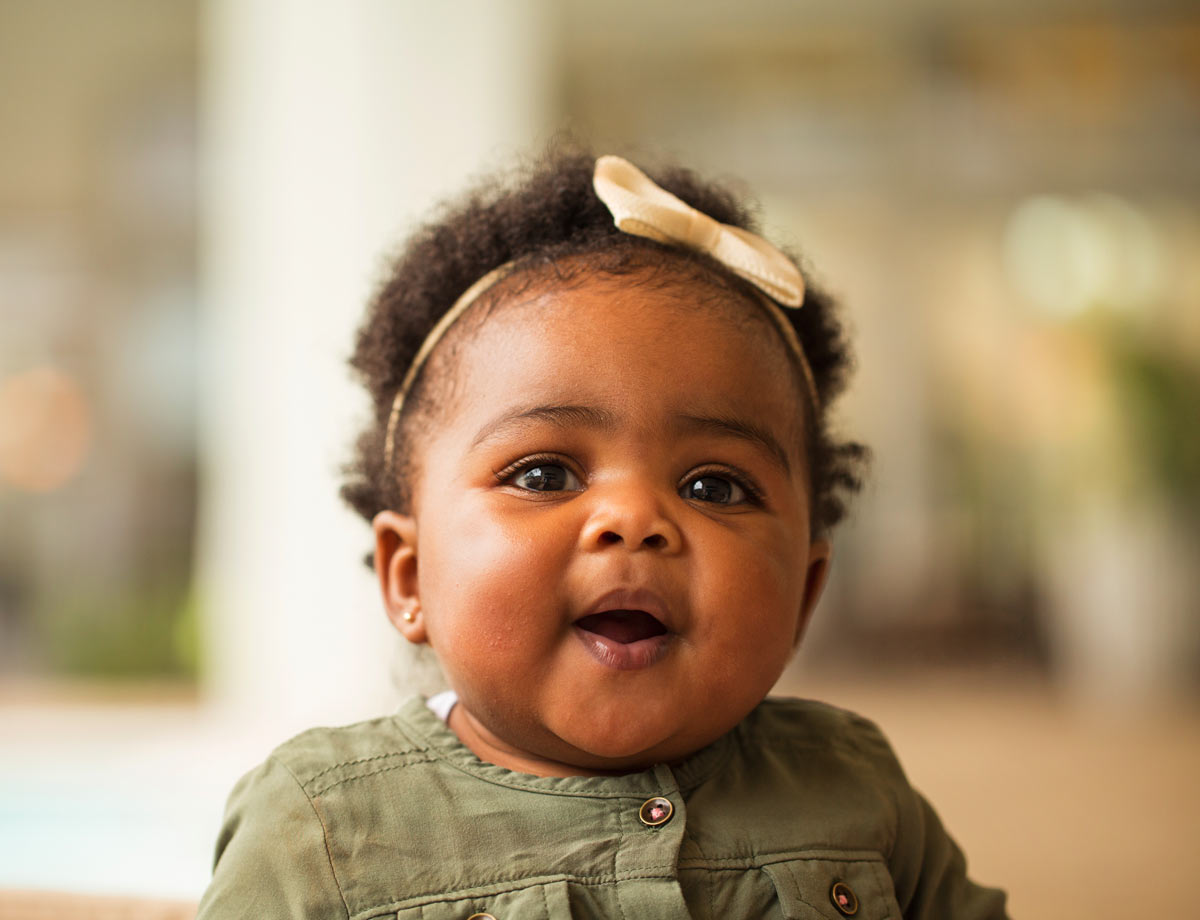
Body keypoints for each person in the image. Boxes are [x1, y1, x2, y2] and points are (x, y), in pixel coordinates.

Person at [196, 149, 1008, 919]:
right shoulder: (324, 825)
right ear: (409, 579)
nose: (636, 520)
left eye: (714, 486)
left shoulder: (850, 783)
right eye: (544, 474)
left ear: (803, 593)